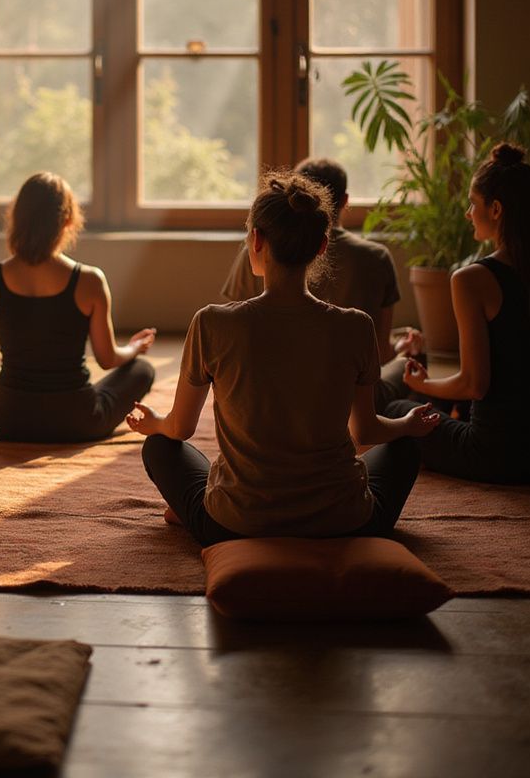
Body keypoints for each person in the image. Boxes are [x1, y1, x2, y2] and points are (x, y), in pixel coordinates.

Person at [129, 171, 440, 547]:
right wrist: (406, 422)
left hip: (234, 525)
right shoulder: (356, 327)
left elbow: (179, 429)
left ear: (256, 240)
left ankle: (192, 510)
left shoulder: (212, 322)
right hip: (345, 523)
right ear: (323, 246)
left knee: (159, 446)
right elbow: (366, 432)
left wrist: (153, 423)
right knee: (406, 446)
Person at [384, 143, 530, 483]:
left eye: (472, 203)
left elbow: (475, 384)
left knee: (396, 411)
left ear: (496, 210)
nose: (467, 213)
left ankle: (424, 388)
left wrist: (424, 382)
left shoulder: (472, 279)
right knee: (429, 403)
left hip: (495, 455)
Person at [0, 172, 157, 443]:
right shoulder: (90, 279)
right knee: (142, 369)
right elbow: (107, 359)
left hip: (9, 420)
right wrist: (135, 348)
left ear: (16, 219)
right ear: (68, 220)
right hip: (80, 422)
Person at [221, 156, 422, 408]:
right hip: (348, 398)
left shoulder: (256, 252)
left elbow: (235, 332)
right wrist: (402, 348)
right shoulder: (376, 258)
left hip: (270, 391)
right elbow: (377, 353)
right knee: (412, 362)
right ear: (345, 202)